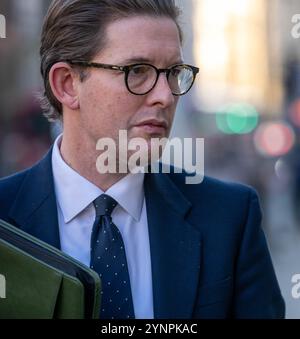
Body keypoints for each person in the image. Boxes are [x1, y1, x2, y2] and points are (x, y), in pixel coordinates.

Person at [0, 0, 285, 319]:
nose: (165, 96)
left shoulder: (229, 218)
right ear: (67, 84)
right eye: (137, 71)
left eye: (174, 73)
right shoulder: (4, 218)